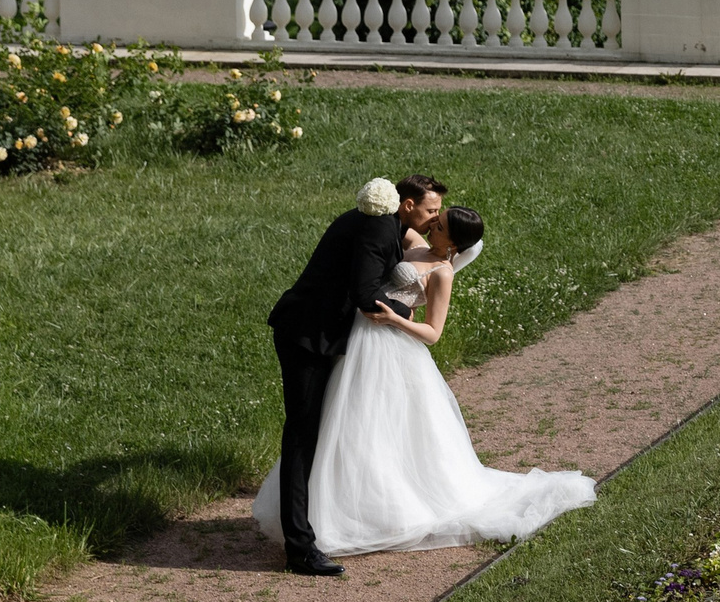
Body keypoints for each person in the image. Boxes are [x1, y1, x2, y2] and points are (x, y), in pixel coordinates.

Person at [254, 198, 596, 561]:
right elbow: (394, 228)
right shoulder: (415, 245)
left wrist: (395, 319)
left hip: (391, 347)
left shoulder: (442, 272)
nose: (434, 224)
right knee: (345, 422)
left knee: (379, 426)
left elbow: (433, 332)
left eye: (442, 225)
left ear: (454, 244)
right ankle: (338, 506)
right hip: (357, 342)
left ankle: (380, 511)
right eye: (437, 217)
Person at [262, 174, 442, 575]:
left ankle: (320, 523)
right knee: (302, 434)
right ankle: (299, 550)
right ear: (407, 205)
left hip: (325, 337)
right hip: (308, 337)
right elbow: (364, 295)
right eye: (431, 210)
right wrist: (407, 313)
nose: (435, 217)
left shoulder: (385, 224)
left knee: (323, 430)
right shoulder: (378, 227)